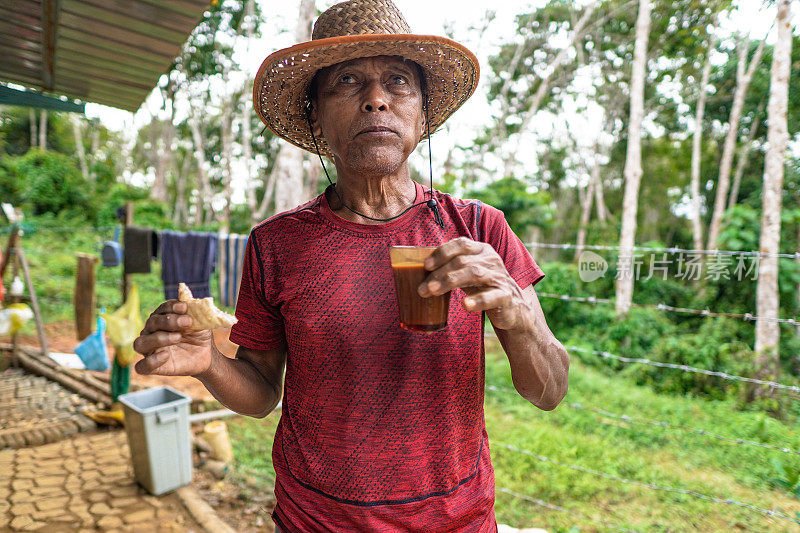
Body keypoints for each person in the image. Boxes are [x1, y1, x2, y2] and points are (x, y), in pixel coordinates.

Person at [133, 0, 569, 531]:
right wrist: (209, 362)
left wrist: (517, 315)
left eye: (399, 81)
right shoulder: (277, 244)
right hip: (313, 521)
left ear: (424, 113)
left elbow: (548, 391)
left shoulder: (479, 230)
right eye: (346, 81)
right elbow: (262, 392)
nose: (377, 100)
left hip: (456, 521)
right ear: (315, 117)